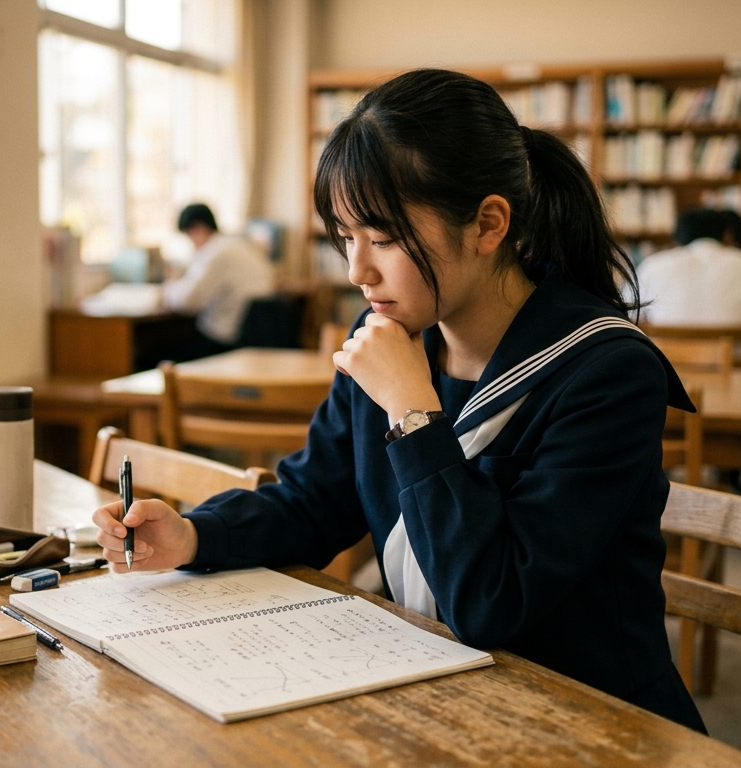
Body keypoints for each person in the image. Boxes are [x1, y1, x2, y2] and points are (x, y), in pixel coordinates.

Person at [93, 69, 705, 732]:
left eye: (383, 239)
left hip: (590, 719)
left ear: (488, 224)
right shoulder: (386, 337)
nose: (358, 272)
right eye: (346, 238)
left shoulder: (607, 372)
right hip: (441, 697)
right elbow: (316, 499)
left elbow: (491, 604)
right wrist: (194, 535)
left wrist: (414, 412)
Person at [636, 208, 741, 342]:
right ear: (727, 236)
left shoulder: (651, 267)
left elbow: (622, 318)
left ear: (676, 242)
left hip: (671, 381)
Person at [159, 203, 275, 361]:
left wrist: (166, 290)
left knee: (157, 354)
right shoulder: (240, 244)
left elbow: (189, 301)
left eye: (189, 236)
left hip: (226, 339)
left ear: (198, 228)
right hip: (256, 335)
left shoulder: (214, 252)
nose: (191, 243)